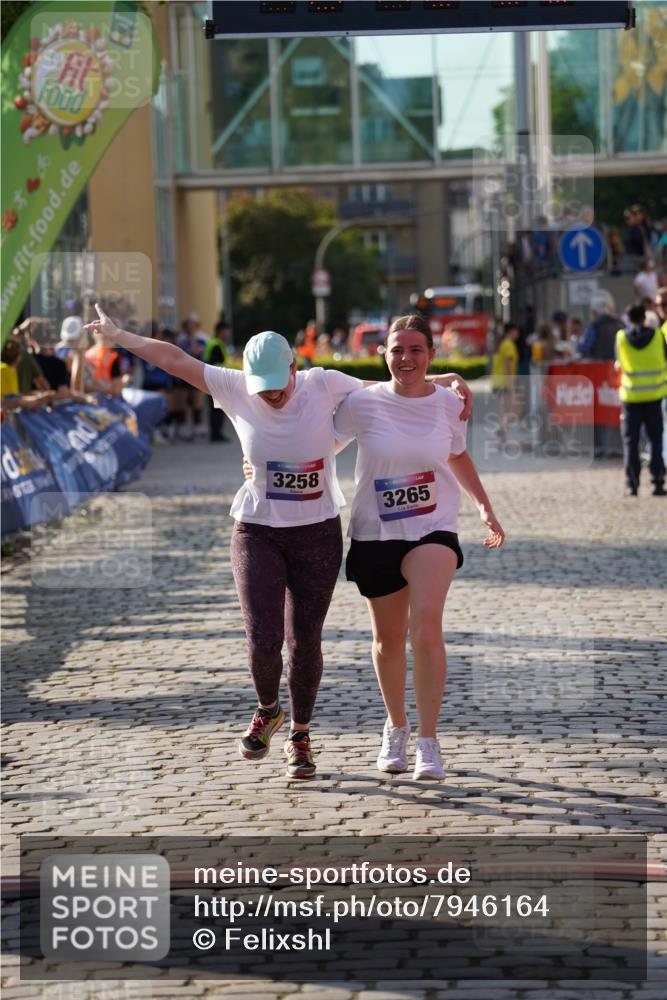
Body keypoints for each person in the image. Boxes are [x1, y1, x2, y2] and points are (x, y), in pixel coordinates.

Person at [84, 304, 474, 780]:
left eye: (278, 382)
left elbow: (390, 392)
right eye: (260, 385)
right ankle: (269, 708)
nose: (270, 393)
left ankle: (301, 736)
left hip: (316, 532)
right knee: (264, 639)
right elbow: (175, 360)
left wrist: (447, 376)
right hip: (257, 528)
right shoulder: (233, 387)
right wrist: (120, 334)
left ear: (294, 367)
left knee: (303, 640)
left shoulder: (323, 383)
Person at [333, 315, 504, 781]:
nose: (405, 359)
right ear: (383, 355)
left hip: (434, 528)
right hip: (374, 532)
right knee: (388, 641)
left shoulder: (449, 405)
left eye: (416, 350)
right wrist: (261, 466)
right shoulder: (361, 403)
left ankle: (428, 741)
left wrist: (484, 507)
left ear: (431, 354)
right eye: (397, 350)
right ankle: (396, 727)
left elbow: (457, 454)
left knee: (425, 628)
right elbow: (321, 444)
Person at [615, 304, 666, 497]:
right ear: (645, 317)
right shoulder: (658, 336)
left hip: (631, 396)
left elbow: (618, 362)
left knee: (631, 441)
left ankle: (632, 484)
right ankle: (658, 481)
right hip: (654, 395)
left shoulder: (621, 338)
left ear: (629, 318)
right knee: (655, 440)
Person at [490, 322, 519, 442]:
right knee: (512, 412)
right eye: (517, 331)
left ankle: (502, 439)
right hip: (504, 383)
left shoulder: (502, 344)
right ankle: (499, 432)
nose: (518, 334)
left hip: (497, 382)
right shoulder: (509, 345)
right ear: (512, 331)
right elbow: (508, 367)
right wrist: (512, 388)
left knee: (506, 412)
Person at [203, 321, 230, 442]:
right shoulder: (216, 345)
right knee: (217, 409)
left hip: (213, 380)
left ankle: (216, 433)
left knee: (216, 408)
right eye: (226, 330)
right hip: (216, 381)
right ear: (221, 331)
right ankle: (216, 434)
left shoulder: (215, 343)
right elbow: (216, 364)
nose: (228, 333)